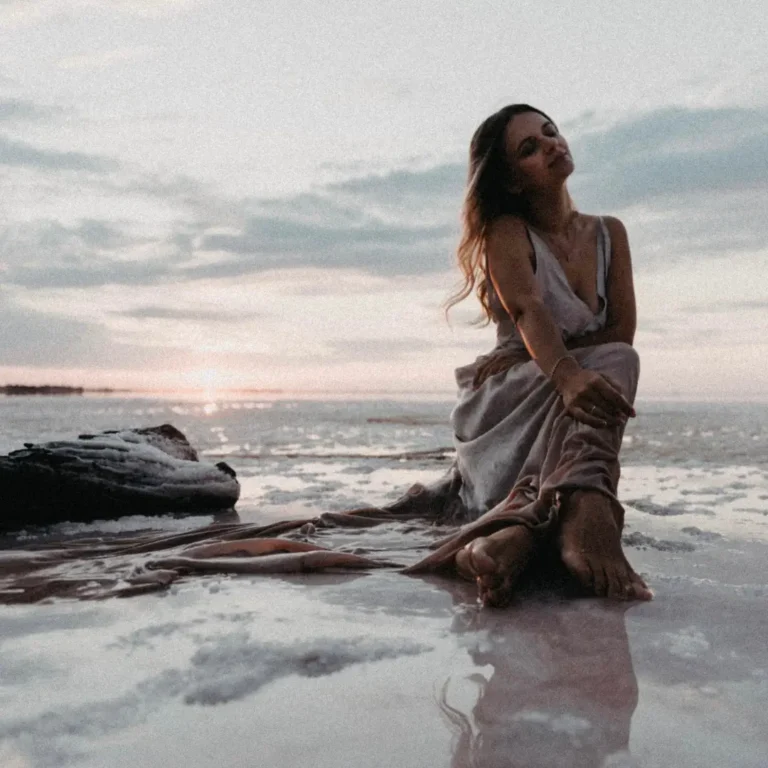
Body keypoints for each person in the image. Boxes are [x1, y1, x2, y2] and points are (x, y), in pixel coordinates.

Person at [433, 104, 652, 606]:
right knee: (614, 363)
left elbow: (622, 332)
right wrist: (566, 373)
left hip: (560, 383)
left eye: (550, 132)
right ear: (510, 181)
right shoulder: (506, 234)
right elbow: (530, 311)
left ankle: (520, 538)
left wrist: (564, 365)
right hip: (508, 402)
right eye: (529, 148)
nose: (552, 144)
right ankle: (587, 510)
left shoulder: (609, 233)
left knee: (620, 359)